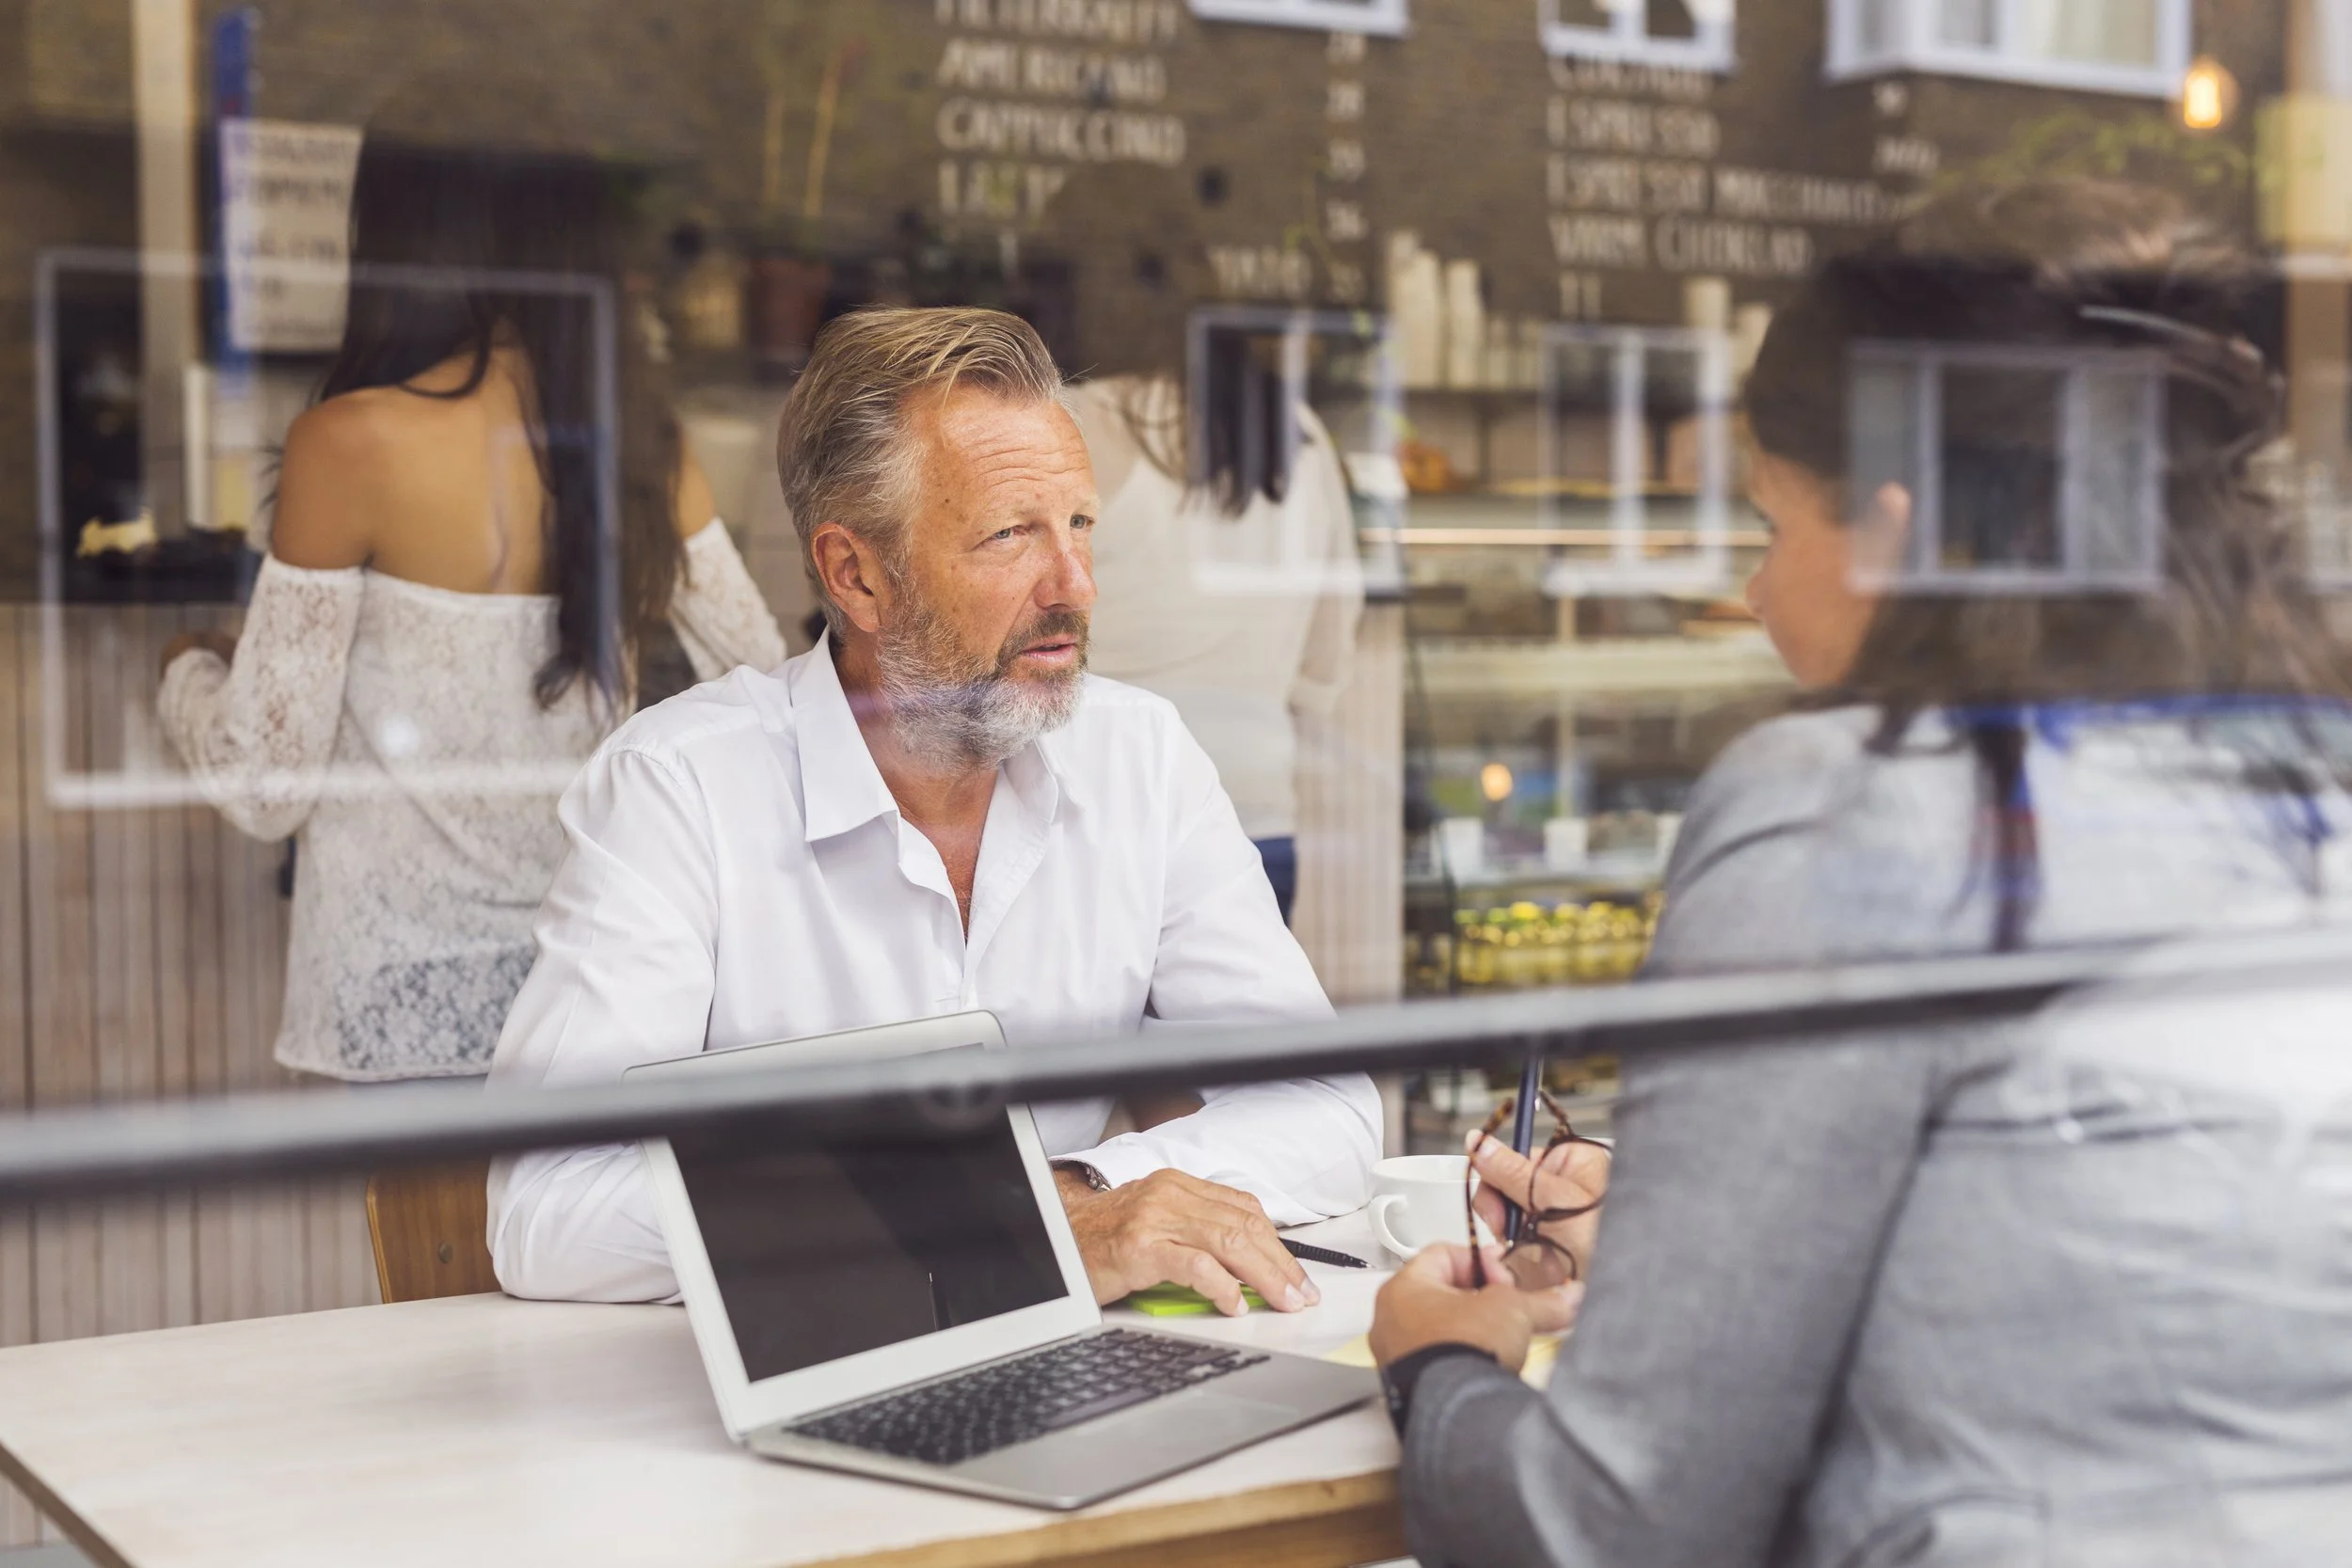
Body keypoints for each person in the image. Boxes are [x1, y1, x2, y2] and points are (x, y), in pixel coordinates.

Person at [1368, 180, 2352, 1566]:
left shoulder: (1839, 804)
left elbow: (1613, 1530)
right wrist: (1680, 1236)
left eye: (1773, 528)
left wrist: (1440, 1367)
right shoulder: (2300, 785)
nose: (1756, 595)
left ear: (1898, 529)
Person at [486, 308, 1382, 1316]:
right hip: (791, 1394)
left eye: (1080, 525)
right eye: (1009, 535)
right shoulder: (680, 786)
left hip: (1068, 1361)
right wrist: (1005, 1222)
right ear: (855, 574)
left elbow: (1328, 1109)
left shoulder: (1142, 758)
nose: (1074, 586)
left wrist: (1078, 1195)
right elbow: (545, 1205)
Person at [157, 132, 786, 1084]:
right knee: (556, 1239)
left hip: (395, 990)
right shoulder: (645, 448)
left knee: (426, 1242)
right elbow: (763, 684)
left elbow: (264, 786)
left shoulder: (350, 441)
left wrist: (187, 673)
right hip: (593, 981)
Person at [1065, 361, 1364, 924]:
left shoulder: (1073, 423)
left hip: (1102, 814)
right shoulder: (1297, 430)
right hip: (1256, 811)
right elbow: (1327, 657)